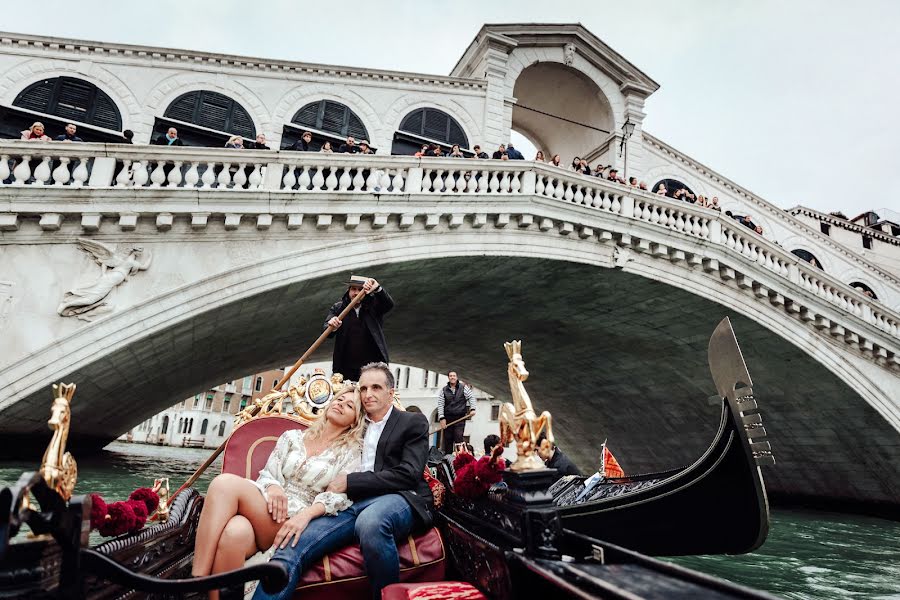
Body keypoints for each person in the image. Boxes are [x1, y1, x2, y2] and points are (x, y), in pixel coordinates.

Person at [254, 363, 434, 600]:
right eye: (364, 388)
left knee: (371, 523)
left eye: (376, 388)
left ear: (391, 393)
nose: (368, 394)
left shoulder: (412, 421)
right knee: (290, 546)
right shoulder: (354, 424)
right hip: (350, 505)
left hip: (400, 496)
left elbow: (409, 473)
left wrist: (350, 481)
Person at [193, 383, 365, 600]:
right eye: (339, 399)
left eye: (349, 406)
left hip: (297, 521)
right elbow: (268, 473)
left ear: (355, 421)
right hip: (268, 507)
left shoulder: (350, 453)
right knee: (234, 534)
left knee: (223, 484)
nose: (340, 404)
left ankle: (197, 578)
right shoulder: (292, 437)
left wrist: (307, 514)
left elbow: (339, 497)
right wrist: (273, 487)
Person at [325, 276, 393, 383]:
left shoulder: (374, 306)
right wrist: (332, 325)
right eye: (353, 289)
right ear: (348, 291)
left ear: (365, 292)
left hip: (372, 365)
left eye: (360, 289)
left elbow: (388, 304)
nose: (356, 293)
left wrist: (377, 288)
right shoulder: (338, 308)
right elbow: (327, 332)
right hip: (346, 366)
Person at [437, 371, 476, 454]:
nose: (452, 377)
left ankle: (460, 458)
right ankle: (448, 459)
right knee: (448, 439)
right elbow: (440, 404)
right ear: (448, 378)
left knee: (458, 437)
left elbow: (471, 397)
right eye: (450, 376)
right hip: (448, 418)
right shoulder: (444, 390)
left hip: (460, 418)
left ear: (457, 377)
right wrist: (442, 418)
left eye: (454, 376)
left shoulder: (464, 388)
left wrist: (473, 409)